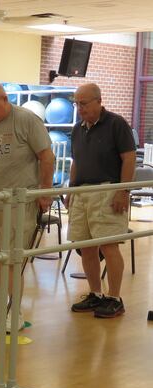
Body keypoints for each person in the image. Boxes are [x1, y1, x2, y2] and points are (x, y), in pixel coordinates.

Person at [0, 81, 55, 331]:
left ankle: (13, 310)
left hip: (18, 201)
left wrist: (45, 191)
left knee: (13, 259)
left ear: (5, 99)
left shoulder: (26, 120)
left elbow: (47, 156)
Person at [67, 83, 136, 318]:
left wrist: (123, 191)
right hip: (82, 193)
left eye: (83, 103)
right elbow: (76, 161)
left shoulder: (116, 124)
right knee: (85, 246)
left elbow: (129, 159)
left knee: (109, 246)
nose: (80, 108)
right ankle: (95, 293)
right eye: (76, 104)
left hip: (108, 190)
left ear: (98, 101)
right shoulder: (77, 129)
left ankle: (114, 298)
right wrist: (71, 190)